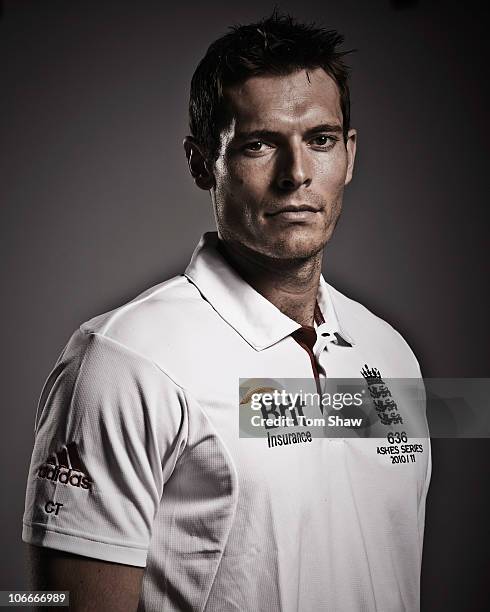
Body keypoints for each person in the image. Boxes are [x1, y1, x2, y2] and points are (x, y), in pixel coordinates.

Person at [23, 12, 431, 612]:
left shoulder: (392, 354)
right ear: (200, 162)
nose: (296, 175)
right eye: (259, 144)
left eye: (319, 140)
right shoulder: (123, 362)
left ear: (348, 155)